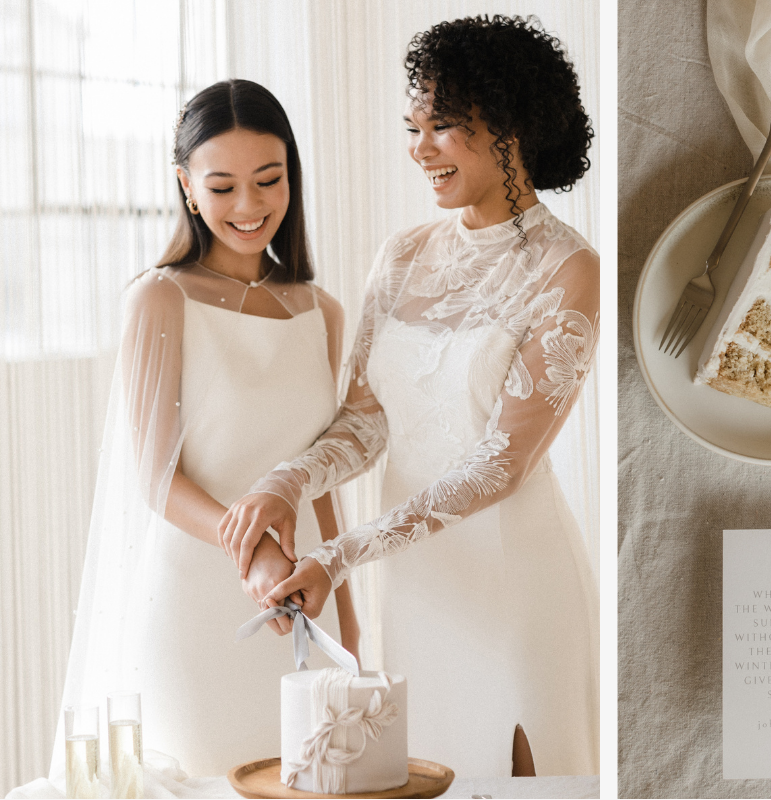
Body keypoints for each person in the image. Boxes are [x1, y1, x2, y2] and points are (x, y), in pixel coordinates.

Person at [220, 15, 600, 776]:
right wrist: (286, 482)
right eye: (412, 128)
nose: (420, 148)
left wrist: (340, 554)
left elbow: (503, 463)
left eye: (443, 126)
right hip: (415, 589)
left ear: (512, 127)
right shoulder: (401, 255)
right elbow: (365, 424)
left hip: (512, 581)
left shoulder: (569, 269)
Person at [53, 79, 358, 779]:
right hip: (198, 602)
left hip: (305, 599)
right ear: (188, 187)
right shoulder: (160, 298)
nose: (248, 206)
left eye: (268, 180)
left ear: (292, 176)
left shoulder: (323, 312)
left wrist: (350, 614)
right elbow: (157, 479)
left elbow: (323, 479)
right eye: (222, 187)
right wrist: (254, 555)